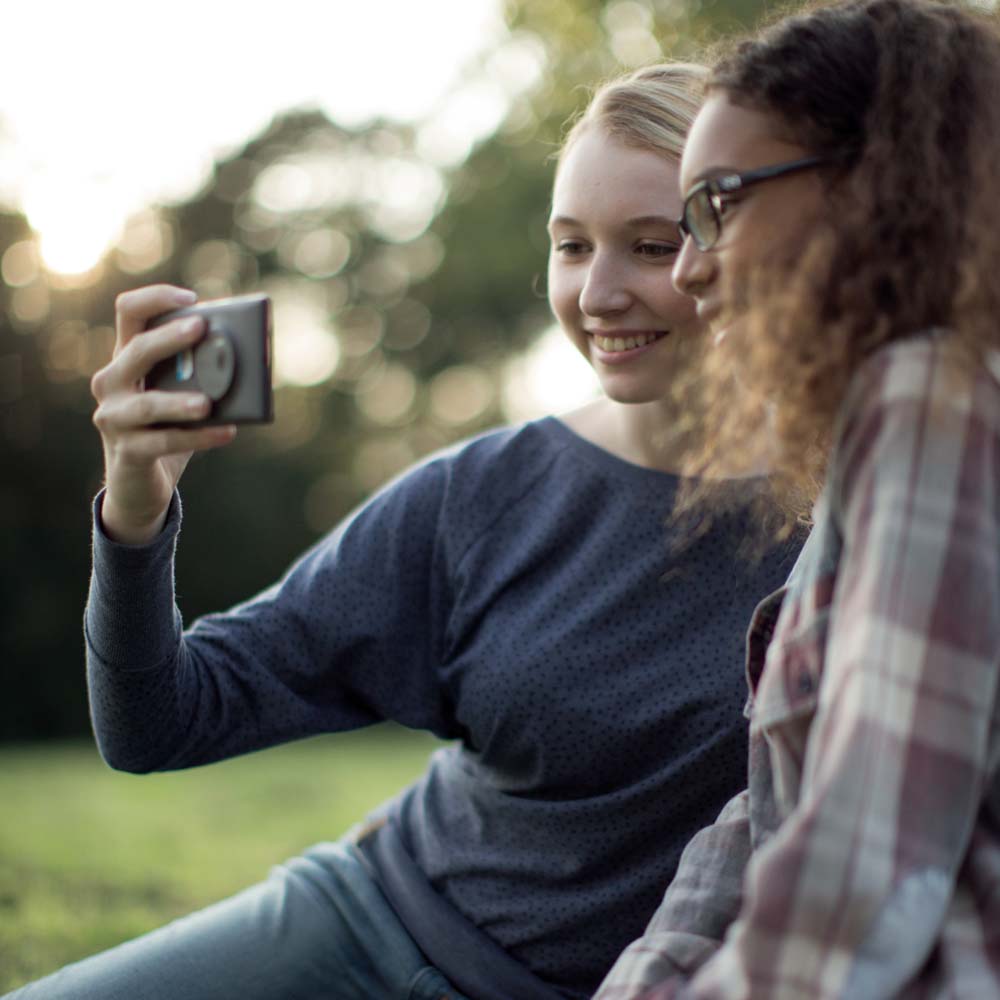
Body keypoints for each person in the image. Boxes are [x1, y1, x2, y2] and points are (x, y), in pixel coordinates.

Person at [7, 65, 800, 1000]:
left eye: (650, 245)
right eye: (572, 246)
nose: (598, 294)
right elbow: (156, 723)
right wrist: (133, 514)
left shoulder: (859, 514)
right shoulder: (481, 496)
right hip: (366, 922)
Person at [595, 1, 1000, 997]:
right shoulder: (881, 427)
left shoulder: (931, 402)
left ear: (874, 186)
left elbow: (867, 868)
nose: (690, 269)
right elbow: (769, 814)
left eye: (716, 205)